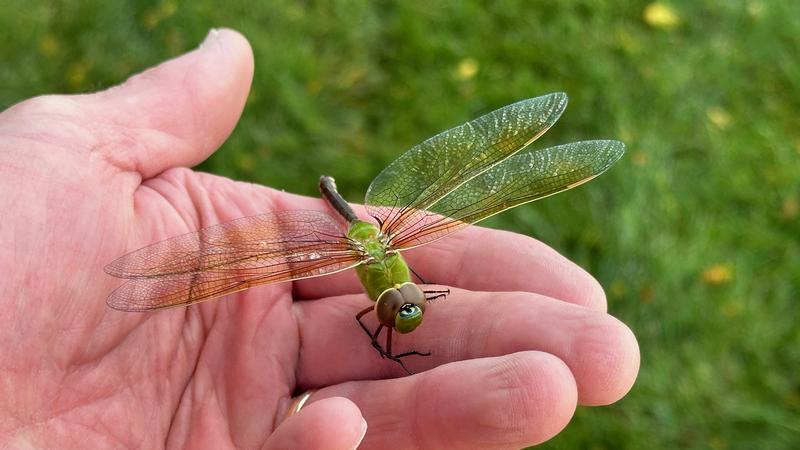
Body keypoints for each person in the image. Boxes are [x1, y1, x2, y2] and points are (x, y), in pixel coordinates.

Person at [0, 29, 639, 449]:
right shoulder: (371, 294)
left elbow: (404, 303)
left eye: (406, 303)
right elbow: (375, 318)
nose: (405, 308)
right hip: (345, 226)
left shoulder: (407, 284)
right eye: (400, 306)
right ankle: (330, 193)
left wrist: (412, 302)